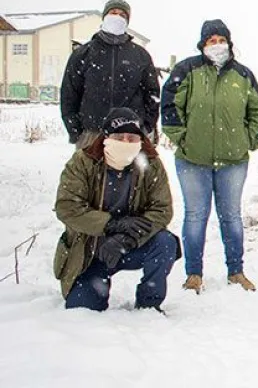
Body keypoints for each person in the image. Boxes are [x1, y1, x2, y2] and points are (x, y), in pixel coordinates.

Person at [161, 19, 258, 294]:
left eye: (221, 40)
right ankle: (193, 274)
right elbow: (170, 105)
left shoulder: (242, 75)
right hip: (192, 159)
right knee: (196, 215)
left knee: (230, 216)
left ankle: (236, 271)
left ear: (229, 43)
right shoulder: (187, 69)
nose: (217, 45)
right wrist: (181, 137)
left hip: (232, 161)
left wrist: (249, 140)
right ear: (203, 45)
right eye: (211, 41)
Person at [54, 108, 179, 312]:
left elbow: (162, 210)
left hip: (131, 245)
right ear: (105, 137)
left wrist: (127, 238)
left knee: (165, 243)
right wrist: (111, 224)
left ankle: (149, 303)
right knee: (83, 310)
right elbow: (67, 207)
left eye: (132, 137)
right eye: (119, 137)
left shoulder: (151, 164)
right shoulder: (82, 162)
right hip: (91, 251)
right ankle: (93, 286)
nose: (126, 142)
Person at [60, 0, 160, 148]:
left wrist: (146, 127)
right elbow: (69, 95)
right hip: (91, 135)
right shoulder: (83, 54)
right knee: (88, 172)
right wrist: (76, 132)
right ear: (104, 17)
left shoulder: (140, 55)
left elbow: (152, 95)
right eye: (113, 13)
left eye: (122, 15)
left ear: (127, 21)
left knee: (130, 172)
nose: (117, 17)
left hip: (129, 136)